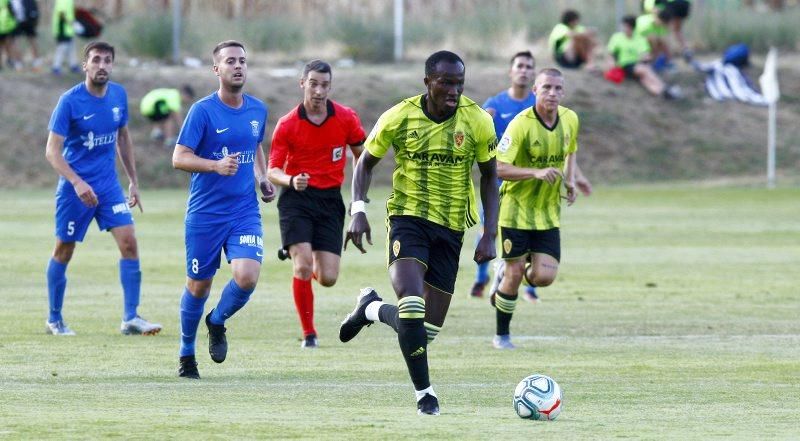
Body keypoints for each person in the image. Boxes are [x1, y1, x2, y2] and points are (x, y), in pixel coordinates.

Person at [339, 50, 499, 415]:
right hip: (408, 220)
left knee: (423, 332)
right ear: (427, 82)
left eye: (459, 83)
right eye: (445, 82)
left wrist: (490, 233)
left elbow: (491, 177)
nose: (454, 90)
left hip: (452, 226)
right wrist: (358, 210)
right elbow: (365, 162)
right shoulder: (399, 116)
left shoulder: (476, 120)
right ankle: (425, 394)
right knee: (411, 304)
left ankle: (372, 309)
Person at [172, 40, 276, 380]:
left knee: (246, 276)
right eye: (230, 61)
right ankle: (187, 352)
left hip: (243, 210)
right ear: (216, 69)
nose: (238, 66)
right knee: (198, 286)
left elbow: (255, 146)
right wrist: (215, 166)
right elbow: (179, 157)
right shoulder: (202, 111)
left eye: (243, 61)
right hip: (205, 214)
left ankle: (216, 322)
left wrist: (262, 178)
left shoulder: (257, 110)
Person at [44, 41, 161, 336]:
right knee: (64, 250)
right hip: (75, 189)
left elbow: (123, 139)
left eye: (108, 60)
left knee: (129, 243)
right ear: (85, 65)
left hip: (108, 187)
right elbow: (52, 152)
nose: (102, 65)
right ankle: (54, 319)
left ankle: (131, 318)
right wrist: (77, 182)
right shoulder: (69, 101)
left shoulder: (118, 95)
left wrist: (133, 181)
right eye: (96, 60)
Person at [267, 59, 365, 349]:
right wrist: (291, 179)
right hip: (296, 200)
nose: (319, 90)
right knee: (302, 266)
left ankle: (301, 256)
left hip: (330, 200)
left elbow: (364, 155)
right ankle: (309, 334)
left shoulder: (346, 118)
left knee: (329, 278)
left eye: (324, 85)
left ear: (330, 87)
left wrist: (358, 194)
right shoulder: (287, 124)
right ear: (302, 84)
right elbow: (272, 170)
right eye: (313, 83)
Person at [487, 68, 580, 350]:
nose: (552, 93)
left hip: (548, 213)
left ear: (563, 92)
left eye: (557, 88)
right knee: (516, 274)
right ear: (535, 91)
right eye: (546, 88)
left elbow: (571, 149)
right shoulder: (521, 124)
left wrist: (571, 179)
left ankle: (506, 274)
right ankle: (501, 336)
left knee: (544, 277)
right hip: (515, 210)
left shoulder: (570, 119)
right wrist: (535, 173)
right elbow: (498, 167)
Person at [471, 51, 537, 300]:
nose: (524, 70)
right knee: (490, 229)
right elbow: (479, 137)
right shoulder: (495, 105)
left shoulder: (538, 104)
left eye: (529, 66)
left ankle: (530, 287)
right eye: (519, 65)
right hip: (499, 180)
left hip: (529, 181)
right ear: (511, 71)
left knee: (533, 231)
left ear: (533, 73)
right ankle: (480, 279)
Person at [608, 15, 681, 99]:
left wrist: (646, 58)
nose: (624, 29)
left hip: (637, 65)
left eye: (626, 26)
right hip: (625, 65)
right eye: (624, 26)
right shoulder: (617, 37)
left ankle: (660, 92)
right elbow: (611, 53)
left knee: (645, 79)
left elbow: (645, 53)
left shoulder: (639, 38)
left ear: (632, 27)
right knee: (645, 70)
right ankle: (666, 88)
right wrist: (612, 65)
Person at [10, 0, 41, 69]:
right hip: (16, 22)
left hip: (28, 21)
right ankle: (18, 62)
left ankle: (37, 60)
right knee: (15, 42)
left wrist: (35, 18)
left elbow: (34, 7)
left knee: (32, 40)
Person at [51, 0, 78, 75]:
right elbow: (61, 13)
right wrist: (70, 22)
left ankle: (73, 65)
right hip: (62, 29)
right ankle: (56, 67)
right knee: (62, 48)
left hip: (68, 30)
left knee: (71, 47)